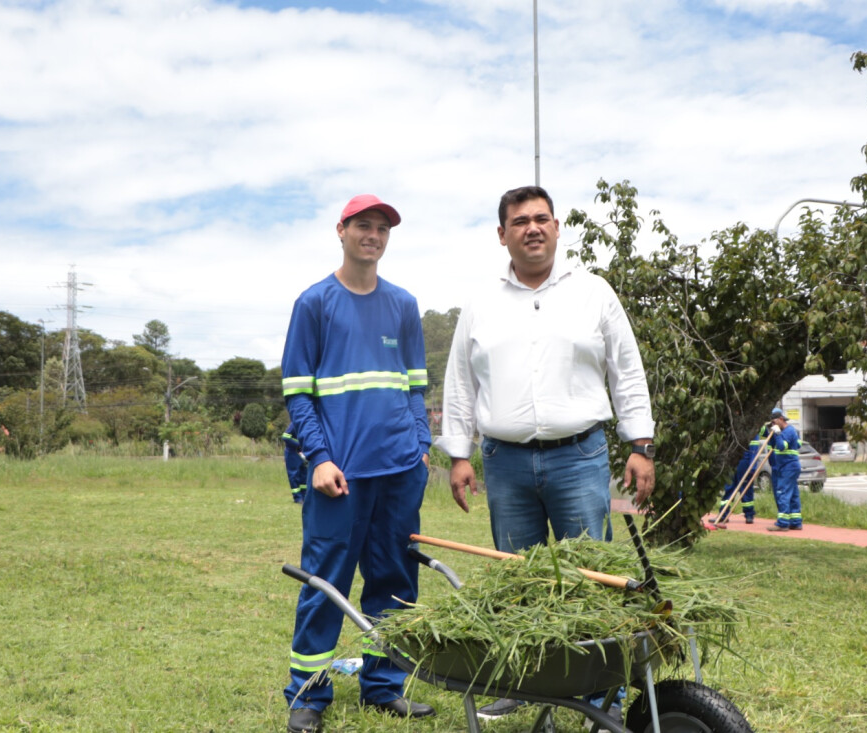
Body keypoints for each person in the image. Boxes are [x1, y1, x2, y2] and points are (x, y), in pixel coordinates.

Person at [435, 185, 655, 720]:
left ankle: (603, 690)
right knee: (520, 580)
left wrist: (640, 443)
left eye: (541, 219)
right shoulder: (481, 304)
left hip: (577, 456)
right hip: (505, 463)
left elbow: (626, 369)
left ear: (557, 227)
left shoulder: (594, 292)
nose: (531, 228)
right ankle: (525, 683)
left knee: (588, 578)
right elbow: (461, 383)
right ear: (502, 234)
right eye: (519, 221)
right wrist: (460, 455)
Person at [280, 194, 433, 733]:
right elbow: (298, 394)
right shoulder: (314, 303)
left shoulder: (404, 305)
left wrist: (422, 446)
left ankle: (384, 686)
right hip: (337, 476)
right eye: (363, 226)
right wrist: (318, 458)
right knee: (326, 582)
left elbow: (416, 387)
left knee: (395, 582)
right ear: (340, 231)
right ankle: (306, 696)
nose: (373, 235)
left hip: (399, 472)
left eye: (382, 228)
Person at [715, 426, 770, 525]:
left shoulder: (753, 427)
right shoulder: (736, 424)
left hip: (744, 462)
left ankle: (749, 515)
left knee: (746, 489)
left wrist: (752, 466)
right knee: (729, 487)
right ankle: (723, 514)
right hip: (733, 461)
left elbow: (757, 443)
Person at [766, 407, 803, 531]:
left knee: (783, 493)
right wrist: (772, 433)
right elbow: (773, 445)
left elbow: (781, 446)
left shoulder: (788, 431)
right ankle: (796, 521)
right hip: (785, 467)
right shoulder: (783, 431)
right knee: (792, 495)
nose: (773, 424)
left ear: (781, 419)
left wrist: (777, 433)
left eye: (774, 422)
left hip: (789, 467)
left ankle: (782, 523)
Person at [282, 422, 308, 504]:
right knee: (294, 475)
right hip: (292, 453)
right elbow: (285, 436)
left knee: (304, 475)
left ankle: (305, 497)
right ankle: (297, 498)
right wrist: (299, 444)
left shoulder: (308, 423)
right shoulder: (295, 423)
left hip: (301, 453)